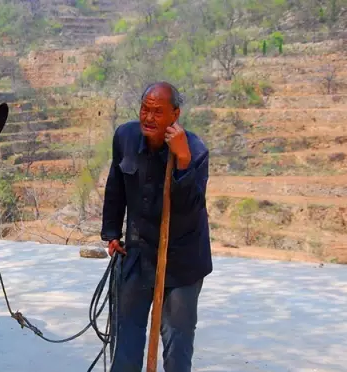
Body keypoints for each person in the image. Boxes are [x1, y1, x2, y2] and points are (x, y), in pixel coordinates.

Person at [101, 82, 213, 372]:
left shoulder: (195, 151)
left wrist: (183, 161)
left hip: (182, 260)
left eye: (158, 112)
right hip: (136, 252)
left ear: (175, 115)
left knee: (177, 346)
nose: (149, 118)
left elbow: (190, 209)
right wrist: (112, 233)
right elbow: (116, 187)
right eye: (145, 109)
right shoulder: (125, 137)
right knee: (125, 340)